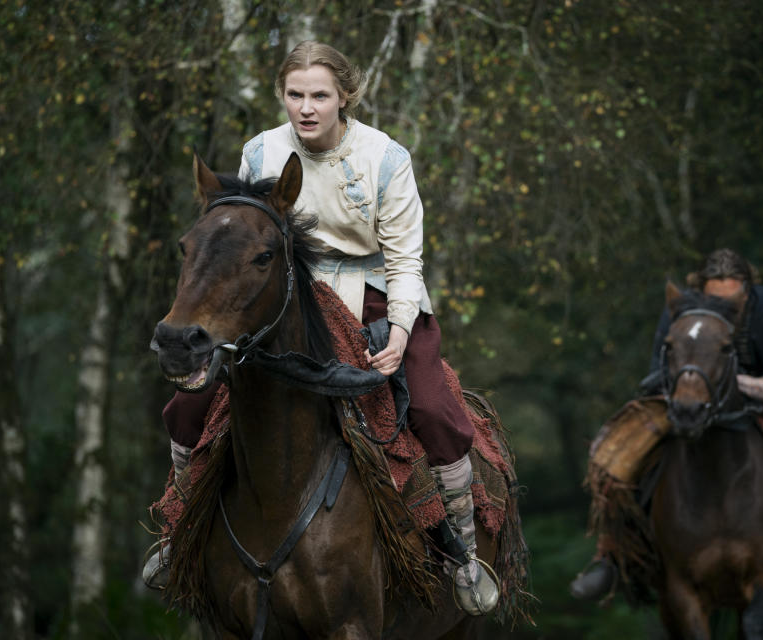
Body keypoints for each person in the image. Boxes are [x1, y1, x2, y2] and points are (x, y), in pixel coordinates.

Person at [144, 41, 498, 616]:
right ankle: (177, 530)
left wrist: (402, 332)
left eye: (319, 96)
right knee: (189, 406)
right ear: (282, 95)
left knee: (433, 407)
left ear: (344, 98)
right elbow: (245, 239)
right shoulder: (261, 151)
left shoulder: (385, 157)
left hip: (377, 295)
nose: (305, 108)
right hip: (286, 294)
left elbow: (406, 262)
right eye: (294, 94)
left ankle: (461, 551)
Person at [570, 248, 763, 602]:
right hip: (691, 399)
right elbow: (656, 372)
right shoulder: (681, 310)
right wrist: (688, 385)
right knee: (618, 458)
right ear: (701, 290)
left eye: (732, 300)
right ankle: (611, 558)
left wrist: (735, 384)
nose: (723, 307)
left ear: (747, 291)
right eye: (714, 299)